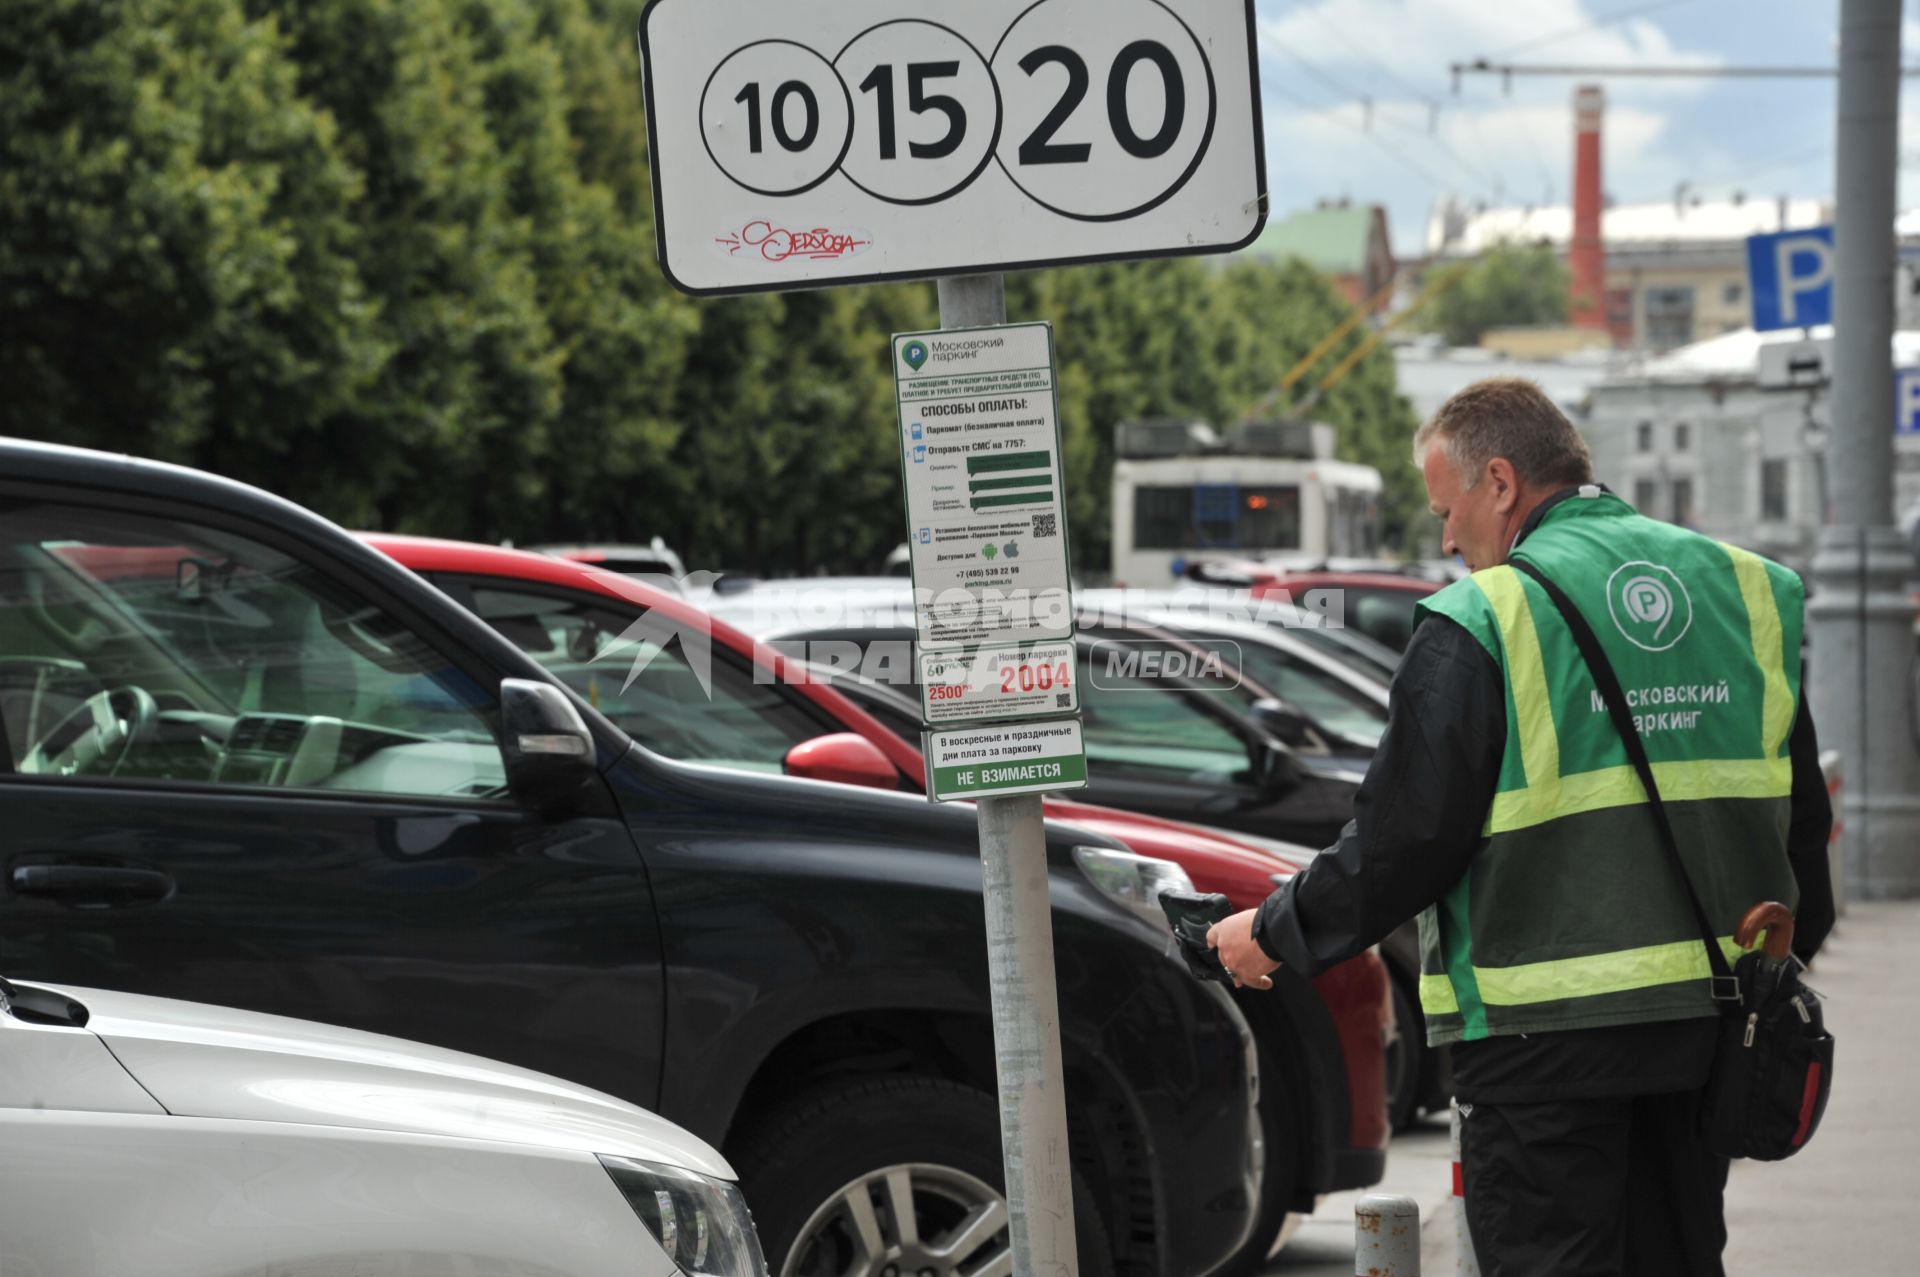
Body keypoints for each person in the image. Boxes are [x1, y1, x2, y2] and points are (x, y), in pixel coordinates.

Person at [1207, 377, 1835, 1277]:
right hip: (1708, 1032)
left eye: (1447, 508)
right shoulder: (1749, 591)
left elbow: (1403, 840)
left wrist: (1270, 933)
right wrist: (1764, 983)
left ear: (1500, 481)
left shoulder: (1485, 616)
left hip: (1540, 1047)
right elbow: (1801, 822)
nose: (1446, 538)